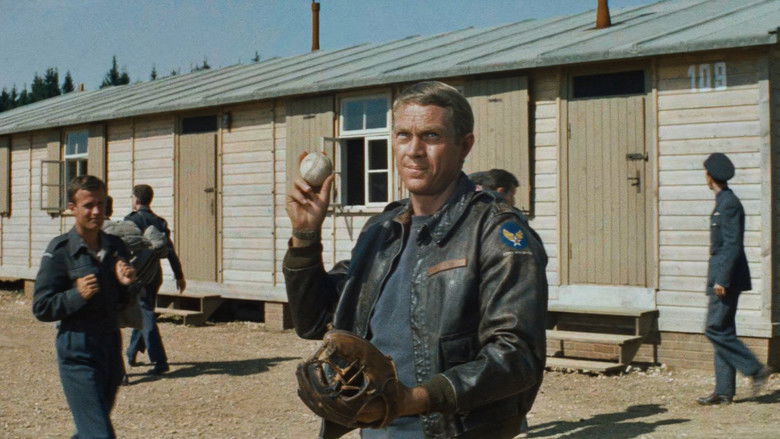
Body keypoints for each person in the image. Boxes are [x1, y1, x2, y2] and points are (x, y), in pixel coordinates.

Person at [285, 81, 548, 438]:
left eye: (431, 136)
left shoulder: (496, 231)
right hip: (377, 430)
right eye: (403, 135)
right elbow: (314, 323)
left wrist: (414, 400)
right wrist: (304, 236)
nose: (414, 150)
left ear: (464, 145)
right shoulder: (381, 229)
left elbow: (517, 356)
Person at [32, 175, 137, 438]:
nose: (97, 212)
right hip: (77, 349)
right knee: (99, 433)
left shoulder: (116, 247)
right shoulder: (60, 251)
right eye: (89, 205)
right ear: (72, 208)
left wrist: (127, 283)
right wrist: (76, 295)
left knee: (92, 427)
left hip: (110, 346)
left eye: (101, 204)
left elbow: (123, 302)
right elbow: (42, 307)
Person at [696, 153, 770, 405]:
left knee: (714, 329)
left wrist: (722, 280)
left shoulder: (728, 203)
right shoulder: (724, 201)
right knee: (723, 331)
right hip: (721, 275)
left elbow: (732, 245)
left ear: (710, 176)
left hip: (725, 279)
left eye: (706, 174)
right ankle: (723, 391)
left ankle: (755, 369)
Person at [124, 184, 186, 375]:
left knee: (145, 314)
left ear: (136, 199)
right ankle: (132, 352)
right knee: (144, 312)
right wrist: (179, 275)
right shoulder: (159, 222)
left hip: (138, 275)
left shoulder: (131, 220)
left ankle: (160, 361)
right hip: (154, 275)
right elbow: (170, 250)